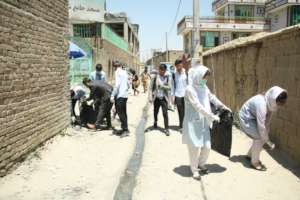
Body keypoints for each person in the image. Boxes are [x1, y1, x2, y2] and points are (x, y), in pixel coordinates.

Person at [183, 65, 230, 180]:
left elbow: (212, 98)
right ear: (198, 76)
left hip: (204, 122)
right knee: (194, 148)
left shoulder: (203, 87)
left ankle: (201, 163)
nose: (205, 79)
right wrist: (212, 116)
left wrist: (224, 106)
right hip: (193, 123)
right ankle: (194, 170)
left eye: (206, 77)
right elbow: (198, 106)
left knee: (207, 146)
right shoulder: (190, 89)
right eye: (204, 77)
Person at [239, 86, 288, 171]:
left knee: (263, 135)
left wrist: (266, 135)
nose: (279, 105)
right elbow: (261, 125)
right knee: (259, 137)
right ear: (274, 98)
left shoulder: (270, 103)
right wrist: (266, 140)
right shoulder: (261, 104)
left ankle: (250, 155)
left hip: (254, 118)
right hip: (246, 119)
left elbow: (267, 121)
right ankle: (255, 162)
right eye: (279, 103)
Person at [149, 64, 171, 136]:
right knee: (155, 111)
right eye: (161, 70)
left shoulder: (167, 77)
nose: (162, 72)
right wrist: (150, 97)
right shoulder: (155, 77)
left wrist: (162, 86)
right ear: (159, 70)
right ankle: (155, 121)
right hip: (156, 98)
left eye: (163, 71)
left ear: (165, 70)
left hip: (164, 98)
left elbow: (169, 88)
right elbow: (150, 87)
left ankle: (166, 128)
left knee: (165, 113)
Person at [110, 61, 130, 137]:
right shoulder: (125, 72)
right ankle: (125, 128)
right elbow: (128, 84)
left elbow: (117, 85)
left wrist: (112, 95)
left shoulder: (117, 72)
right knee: (124, 113)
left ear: (114, 67)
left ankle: (125, 130)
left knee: (121, 113)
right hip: (125, 95)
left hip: (120, 95)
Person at [171, 59, 188, 131]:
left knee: (186, 111)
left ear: (182, 65)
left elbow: (189, 84)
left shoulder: (186, 73)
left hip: (186, 95)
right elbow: (172, 86)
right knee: (180, 112)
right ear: (176, 66)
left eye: (180, 65)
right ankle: (181, 126)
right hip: (178, 95)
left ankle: (185, 126)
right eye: (177, 66)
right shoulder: (174, 74)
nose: (179, 67)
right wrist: (172, 96)